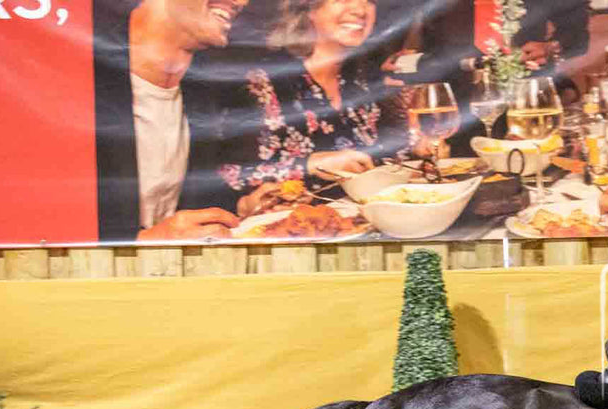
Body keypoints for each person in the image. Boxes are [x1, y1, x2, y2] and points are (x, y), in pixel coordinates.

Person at [214, 0, 411, 213]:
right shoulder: (260, 82)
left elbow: (391, 156)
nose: (360, 9)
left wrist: (418, 140)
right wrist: (310, 163)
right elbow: (229, 176)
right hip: (294, 231)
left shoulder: (363, 80)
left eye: (369, 1)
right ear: (308, 9)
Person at [93, 0, 246, 241]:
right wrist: (144, 242)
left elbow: (189, 207)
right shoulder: (80, 76)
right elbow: (40, 220)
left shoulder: (204, 91)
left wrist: (245, 207)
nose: (242, 2)